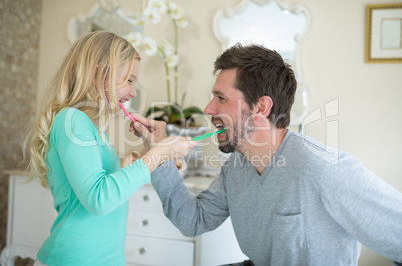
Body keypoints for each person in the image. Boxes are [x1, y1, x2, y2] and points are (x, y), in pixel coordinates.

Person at [132, 43, 402, 265]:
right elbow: (192, 221)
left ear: (261, 107)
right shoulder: (237, 166)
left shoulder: (323, 169)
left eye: (221, 98)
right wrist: (160, 153)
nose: (209, 108)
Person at [24, 31, 197, 266]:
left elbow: (110, 194)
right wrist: (156, 156)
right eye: (129, 80)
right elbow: (99, 199)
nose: (134, 92)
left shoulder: (95, 129)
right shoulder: (71, 120)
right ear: (97, 75)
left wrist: (153, 149)